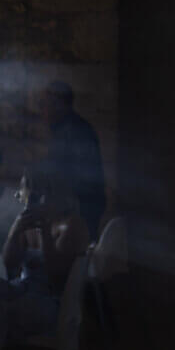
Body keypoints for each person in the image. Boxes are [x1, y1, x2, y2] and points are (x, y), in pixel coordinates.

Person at [0, 162, 91, 342]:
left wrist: (45, 231)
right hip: (25, 289)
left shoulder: (71, 225)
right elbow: (8, 266)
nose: (21, 195)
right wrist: (14, 232)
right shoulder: (27, 223)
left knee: (4, 312)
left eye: (27, 190)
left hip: (52, 302)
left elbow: (57, 280)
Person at [43, 81, 105, 238]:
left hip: (80, 206)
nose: (43, 109)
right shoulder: (62, 129)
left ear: (59, 104)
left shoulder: (75, 131)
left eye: (47, 103)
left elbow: (82, 176)